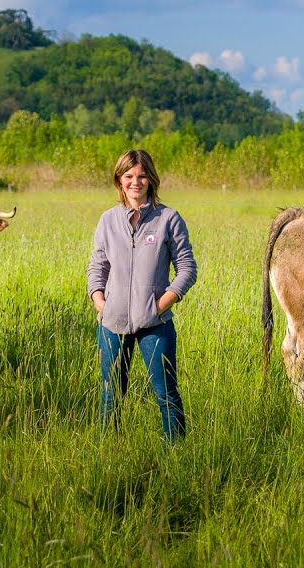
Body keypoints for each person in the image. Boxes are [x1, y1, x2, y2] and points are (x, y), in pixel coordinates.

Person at [87, 149, 197, 442]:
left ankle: (176, 454)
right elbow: (97, 268)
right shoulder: (108, 220)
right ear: (119, 181)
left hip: (156, 325)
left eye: (141, 176)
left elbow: (187, 268)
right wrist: (100, 302)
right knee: (111, 395)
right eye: (128, 176)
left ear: (151, 179)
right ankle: (108, 452)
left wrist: (161, 305)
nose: (135, 182)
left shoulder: (168, 219)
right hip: (111, 324)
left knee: (166, 394)